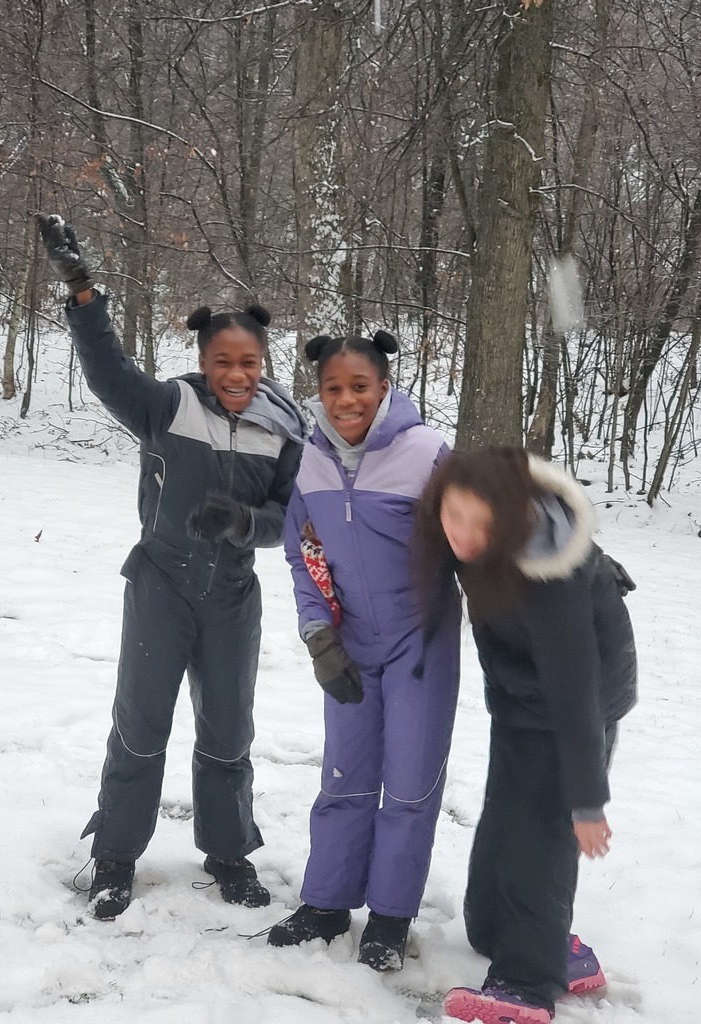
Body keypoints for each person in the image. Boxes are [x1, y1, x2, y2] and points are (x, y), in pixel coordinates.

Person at [37, 214, 306, 919]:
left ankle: (228, 853)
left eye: (248, 363)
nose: (236, 375)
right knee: (140, 723)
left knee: (228, 731)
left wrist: (246, 524)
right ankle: (115, 857)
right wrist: (83, 292)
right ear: (204, 360)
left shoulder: (285, 428)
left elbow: (292, 518)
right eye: (223, 362)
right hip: (161, 583)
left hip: (233, 596)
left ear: (263, 362)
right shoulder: (168, 407)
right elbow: (107, 371)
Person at [413, 447, 637, 1024]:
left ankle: (529, 983)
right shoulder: (463, 533)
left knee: (539, 838)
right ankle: (525, 939)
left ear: (511, 523)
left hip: (575, 705)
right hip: (518, 695)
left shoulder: (548, 572)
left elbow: (574, 691)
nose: (462, 536)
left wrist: (585, 802)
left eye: (480, 526)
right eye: (453, 517)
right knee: (503, 822)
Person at [268, 331, 461, 971]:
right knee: (345, 774)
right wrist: (319, 636)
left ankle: (390, 916)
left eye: (359, 386)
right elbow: (305, 556)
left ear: (384, 387)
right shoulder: (308, 461)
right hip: (349, 644)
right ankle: (326, 902)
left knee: (408, 780)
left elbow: (479, 531)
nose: (346, 399)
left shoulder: (426, 452)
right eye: (333, 388)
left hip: (419, 642)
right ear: (318, 392)